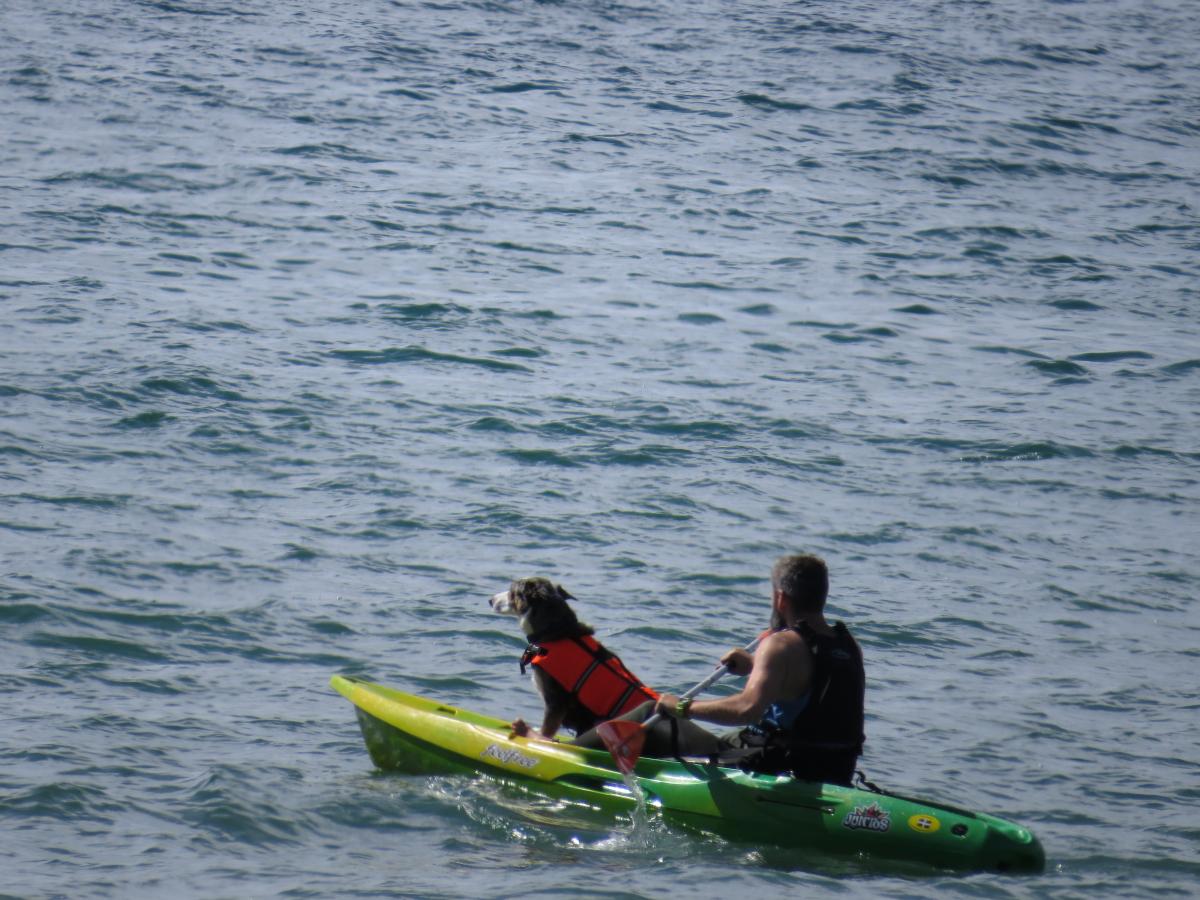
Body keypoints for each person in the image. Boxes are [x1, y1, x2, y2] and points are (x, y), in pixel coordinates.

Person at [573, 554, 865, 785]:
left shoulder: (780, 646)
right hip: (832, 767)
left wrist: (683, 707)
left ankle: (565, 759)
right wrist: (754, 666)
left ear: (780, 599)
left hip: (770, 764)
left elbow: (747, 709)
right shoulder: (847, 645)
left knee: (653, 711)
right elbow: (809, 686)